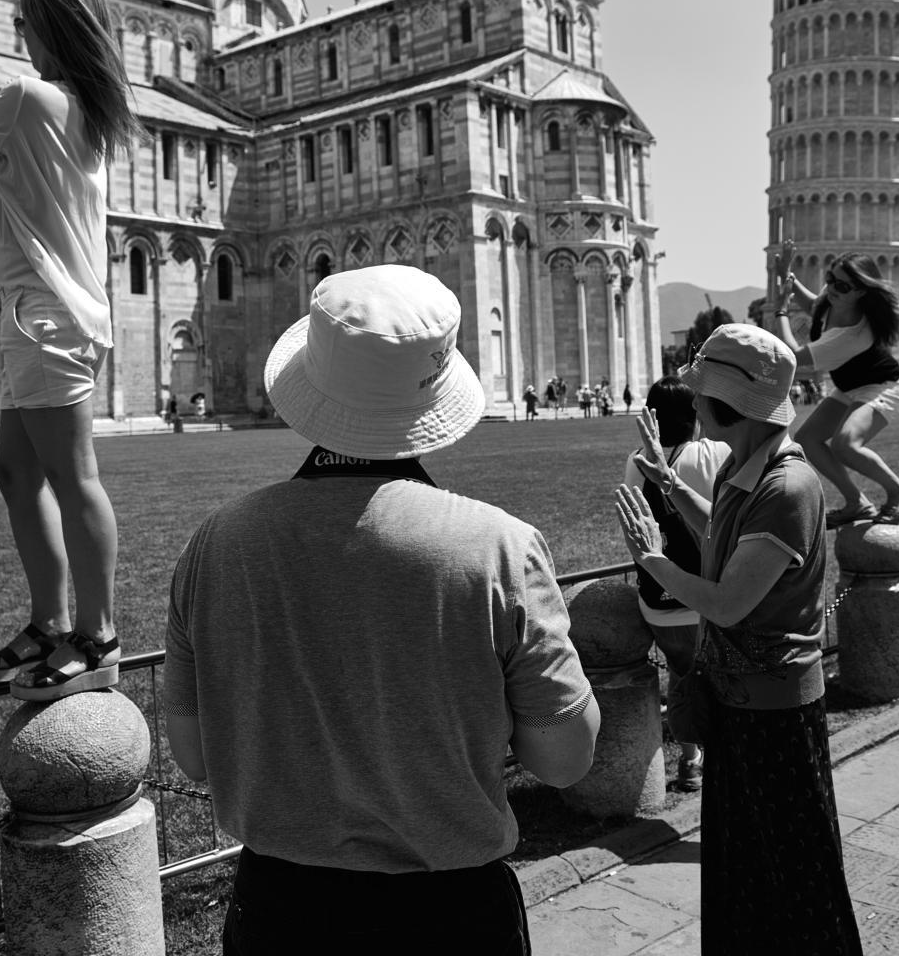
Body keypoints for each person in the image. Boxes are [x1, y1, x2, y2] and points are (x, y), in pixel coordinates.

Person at [163, 265, 598, 954]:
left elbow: (192, 754)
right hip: (449, 916)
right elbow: (566, 758)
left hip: (279, 912)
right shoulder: (500, 548)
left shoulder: (216, 543)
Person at [615, 323, 863, 954]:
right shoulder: (747, 469)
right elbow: (724, 536)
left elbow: (727, 601)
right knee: (748, 865)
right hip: (746, 699)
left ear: (730, 403)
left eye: (701, 393)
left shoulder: (785, 487)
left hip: (772, 709)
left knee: (788, 868)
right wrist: (670, 486)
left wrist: (654, 563)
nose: (692, 403)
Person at [0, 0, 133, 701]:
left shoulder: (22, 99)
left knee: (72, 475)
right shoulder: (89, 111)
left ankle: (97, 634)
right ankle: (50, 624)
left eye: (21, 23)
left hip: (42, 312)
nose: (16, 36)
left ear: (46, 28)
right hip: (46, 310)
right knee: (17, 473)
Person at [622, 376, 731, 791]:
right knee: (722, 677)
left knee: (681, 673)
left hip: (660, 592)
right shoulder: (713, 453)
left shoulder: (637, 461)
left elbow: (634, 524)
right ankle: (724, 754)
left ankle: (690, 762)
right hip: (711, 591)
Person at [769, 242, 899, 527]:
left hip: (883, 385)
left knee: (845, 444)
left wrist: (781, 312)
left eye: (843, 286)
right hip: (850, 385)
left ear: (861, 291)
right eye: (830, 279)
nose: (833, 289)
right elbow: (814, 305)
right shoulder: (832, 299)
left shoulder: (850, 336)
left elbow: (792, 356)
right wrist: (787, 274)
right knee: (807, 440)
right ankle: (857, 503)